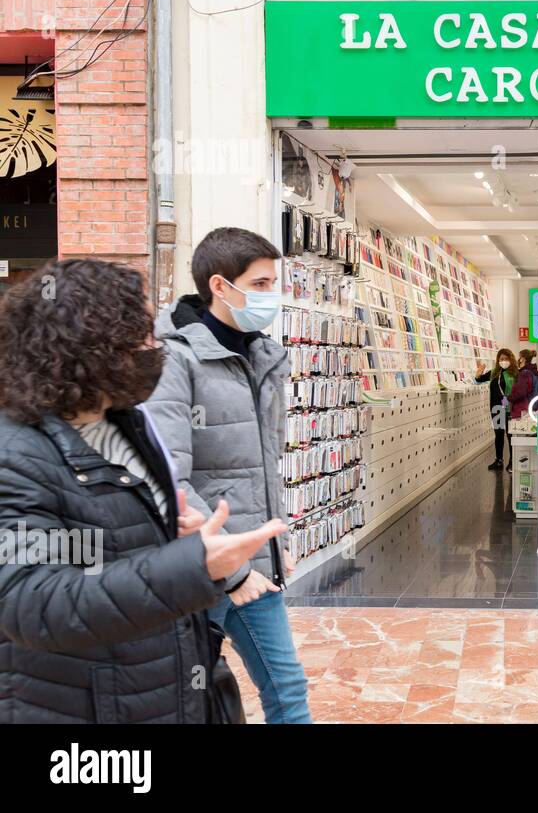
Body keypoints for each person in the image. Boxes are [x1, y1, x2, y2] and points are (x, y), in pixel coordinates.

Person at [0, 259, 284, 723]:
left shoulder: (124, 422)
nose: (155, 345)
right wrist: (193, 565)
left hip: (153, 689)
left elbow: (111, 546)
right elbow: (32, 601)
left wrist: (170, 533)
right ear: (89, 344)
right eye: (140, 334)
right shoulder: (16, 453)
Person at [146, 227, 312, 724]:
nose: (272, 295)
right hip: (211, 565)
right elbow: (167, 478)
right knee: (254, 693)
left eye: (273, 283)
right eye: (260, 284)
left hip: (250, 562)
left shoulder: (261, 356)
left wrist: (272, 542)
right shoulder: (174, 359)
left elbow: (259, 466)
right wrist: (233, 568)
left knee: (271, 689)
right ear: (220, 286)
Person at [475, 348, 518, 470]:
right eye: (501, 359)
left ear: (511, 359)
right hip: (496, 408)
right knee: (498, 434)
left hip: (510, 408)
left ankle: (512, 461)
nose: (503, 361)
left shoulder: (515, 373)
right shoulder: (494, 372)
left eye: (505, 359)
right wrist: (478, 372)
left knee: (510, 435)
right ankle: (499, 460)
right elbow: (479, 380)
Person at [508, 347, 538, 421]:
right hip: (532, 408)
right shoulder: (533, 371)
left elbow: (521, 392)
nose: (518, 360)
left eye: (519, 357)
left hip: (522, 410)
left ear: (523, 359)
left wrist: (508, 398)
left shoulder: (524, 373)